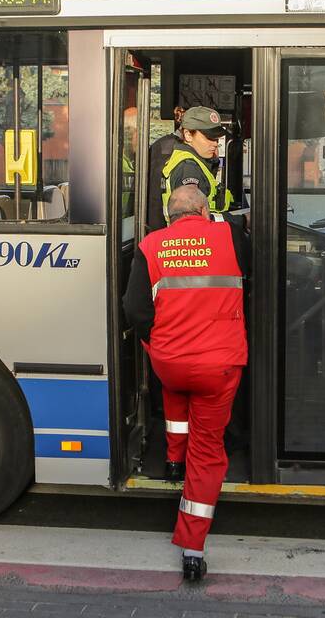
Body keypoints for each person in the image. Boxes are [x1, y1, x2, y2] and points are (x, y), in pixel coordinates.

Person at [122, 186, 250, 582]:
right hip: (219, 365)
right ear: (203, 209)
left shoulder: (150, 244)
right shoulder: (228, 235)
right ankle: (193, 549)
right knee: (208, 452)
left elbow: (135, 308)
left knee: (176, 390)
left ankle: (173, 460)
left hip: (171, 361)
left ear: (168, 215)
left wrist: (155, 341)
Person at [161, 106, 234, 225]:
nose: (215, 144)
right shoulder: (189, 168)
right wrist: (241, 220)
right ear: (188, 135)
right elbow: (191, 219)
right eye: (209, 137)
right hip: (196, 241)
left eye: (216, 139)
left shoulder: (192, 161)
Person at [146, 105, 185, 232]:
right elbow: (155, 196)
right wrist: (158, 232)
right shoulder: (164, 148)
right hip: (167, 229)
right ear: (178, 113)